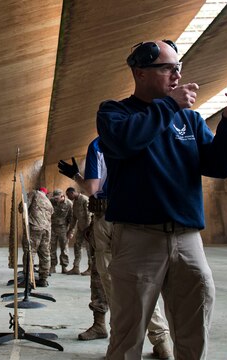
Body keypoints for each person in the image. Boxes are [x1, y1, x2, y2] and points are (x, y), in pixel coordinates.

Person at [97, 39, 227, 360]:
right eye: (168, 68)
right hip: (138, 237)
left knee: (194, 328)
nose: (177, 74)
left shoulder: (191, 121)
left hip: (187, 239)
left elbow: (219, 166)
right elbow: (126, 142)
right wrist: (169, 105)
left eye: (179, 67)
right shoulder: (115, 112)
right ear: (140, 72)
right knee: (128, 334)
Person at [58, 141, 172, 358]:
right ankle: (162, 341)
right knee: (143, 283)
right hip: (137, 220)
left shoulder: (98, 145)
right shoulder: (142, 140)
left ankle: (122, 346)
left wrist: (76, 177)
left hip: (106, 219)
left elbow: (92, 188)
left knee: (113, 285)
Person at [20, 186, 54, 287]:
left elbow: (23, 207)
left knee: (30, 252)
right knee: (45, 254)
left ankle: (27, 280)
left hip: (35, 227)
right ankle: (43, 279)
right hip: (47, 230)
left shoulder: (33, 193)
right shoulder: (48, 201)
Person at [65, 187, 91, 275]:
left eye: (68, 195)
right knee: (77, 246)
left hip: (88, 229)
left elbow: (89, 215)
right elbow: (74, 218)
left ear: (73, 193)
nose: (68, 197)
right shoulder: (75, 202)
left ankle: (91, 268)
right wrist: (70, 229)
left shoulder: (84, 199)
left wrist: (89, 229)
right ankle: (76, 268)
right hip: (80, 228)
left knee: (89, 248)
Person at [49, 189, 73, 274]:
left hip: (63, 228)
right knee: (51, 247)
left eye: (57, 198)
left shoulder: (69, 204)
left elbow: (72, 219)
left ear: (62, 196)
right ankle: (52, 266)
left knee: (64, 248)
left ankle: (64, 266)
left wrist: (71, 231)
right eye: (54, 198)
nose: (55, 200)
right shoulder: (51, 201)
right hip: (52, 228)